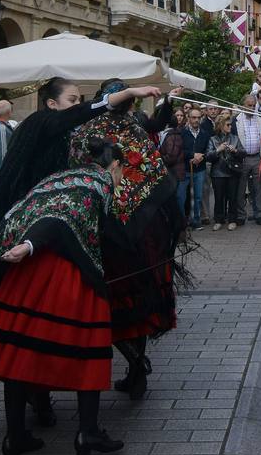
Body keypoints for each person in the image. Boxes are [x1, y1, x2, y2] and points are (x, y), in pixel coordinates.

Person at [0, 138, 128, 455]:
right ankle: (88, 431)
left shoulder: (60, 178)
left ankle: (16, 435)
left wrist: (23, 245)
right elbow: (61, 216)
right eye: (123, 172)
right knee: (88, 348)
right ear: (115, 166)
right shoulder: (96, 184)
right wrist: (31, 244)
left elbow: (24, 209)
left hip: (22, 276)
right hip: (62, 273)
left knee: (18, 353)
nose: (121, 179)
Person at [0, 78, 162, 273]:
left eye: (78, 100)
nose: (77, 105)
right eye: (72, 100)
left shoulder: (59, 127)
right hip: (22, 212)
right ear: (51, 103)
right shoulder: (43, 121)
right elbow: (84, 111)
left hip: (41, 213)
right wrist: (128, 93)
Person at [68, 83, 186, 402]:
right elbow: (155, 153)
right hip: (143, 228)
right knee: (138, 298)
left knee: (109, 300)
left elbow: (75, 172)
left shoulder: (88, 130)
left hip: (108, 230)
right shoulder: (131, 127)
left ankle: (133, 364)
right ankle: (136, 369)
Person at [206, 114, 245, 230]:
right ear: (221, 125)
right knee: (219, 197)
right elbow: (208, 156)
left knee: (233, 197)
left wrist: (235, 150)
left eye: (231, 124)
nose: (230, 127)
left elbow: (244, 153)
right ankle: (218, 219)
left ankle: (232, 219)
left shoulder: (235, 138)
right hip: (218, 172)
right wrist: (218, 150)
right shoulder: (213, 139)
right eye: (228, 125)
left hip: (232, 171)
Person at [234, 95, 261, 225]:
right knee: (241, 188)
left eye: (253, 105)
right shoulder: (236, 120)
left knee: (258, 188)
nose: (252, 108)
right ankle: (241, 215)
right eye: (249, 105)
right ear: (243, 105)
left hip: (257, 157)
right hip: (243, 159)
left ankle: (259, 214)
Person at [179, 107, 210, 230]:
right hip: (184, 169)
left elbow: (208, 150)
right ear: (188, 118)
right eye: (194, 117)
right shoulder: (181, 132)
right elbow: (179, 150)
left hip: (199, 169)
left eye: (198, 117)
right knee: (181, 197)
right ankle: (181, 223)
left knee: (197, 196)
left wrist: (200, 157)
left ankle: (196, 221)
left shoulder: (204, 134)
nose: (196, 120)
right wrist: (192, 155)